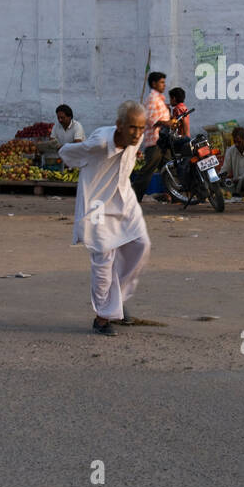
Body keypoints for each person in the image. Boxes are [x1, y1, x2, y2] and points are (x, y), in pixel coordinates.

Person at [60, 101, 152, 336]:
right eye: (132, 128)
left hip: (123, 199)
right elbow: (68, 152)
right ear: (119, 125)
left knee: (140, 245)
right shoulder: (100, 142)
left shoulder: (137, 138)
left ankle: (115, 301)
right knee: (104, 260)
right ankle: (102, 317)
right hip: (97, 203)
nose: (137, 133)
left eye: (141, 128)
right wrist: (68, 159)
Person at [131, 71, 179, 200]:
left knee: (170, 168)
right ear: (154, 84)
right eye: (161, 82)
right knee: (148, 170)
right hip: (155, 142)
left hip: (164, 140)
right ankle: (133, 197)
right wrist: (167, 122)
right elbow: (151, 119)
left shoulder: (159, 99)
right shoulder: (152, 99)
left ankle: (176, 196)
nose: (164, 85)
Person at [220, 126, 244, 195]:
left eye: (239, 142)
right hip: (236, 184)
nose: (236, 144)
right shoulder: (230, 151)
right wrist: (220, 177)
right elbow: (225, 169)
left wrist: (239, 179)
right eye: (235, 142)